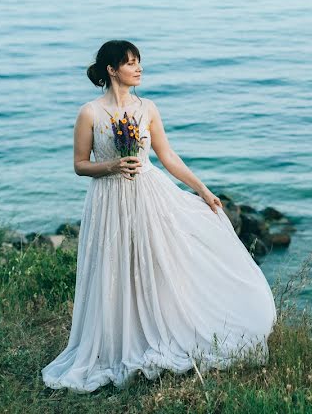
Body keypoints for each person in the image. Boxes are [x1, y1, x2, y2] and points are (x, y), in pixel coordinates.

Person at [41, 40, 276, 393]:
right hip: (109, 200)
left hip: (149, 195)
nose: (138, 68)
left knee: (157, 263)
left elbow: (167, 157)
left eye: (139, 62)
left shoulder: (148, 108)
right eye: (131, 63)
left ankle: (161, 327)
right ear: (111, 69)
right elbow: (79, 165)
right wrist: (112, 166)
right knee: (114, 268)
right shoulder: (89, 112)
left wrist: (204, 190)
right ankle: (114, 342)